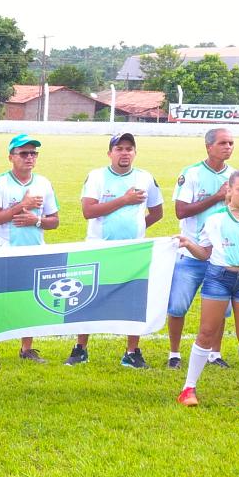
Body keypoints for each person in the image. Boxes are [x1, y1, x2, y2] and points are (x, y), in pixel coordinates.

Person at [174, 170, 239, 409]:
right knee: (206, 333)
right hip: (218, 278)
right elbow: (205, 253)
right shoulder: (215, 219)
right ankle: (188, 389)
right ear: (229, 190)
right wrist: (188, 244)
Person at [71, 132, 163, 366]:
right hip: (98, 248)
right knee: (89, 297)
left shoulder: (145, 177)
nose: (124, 153)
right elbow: (88, 211)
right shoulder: (97, 176)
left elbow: (157, 212)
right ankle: (80, 348)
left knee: (134, 299)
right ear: (109, 153)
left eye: (129, 148)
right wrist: (124, 200)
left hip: (133, 251)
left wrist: (138, 227)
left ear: (135, 153)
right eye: (119, 148)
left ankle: (132, 352)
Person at [0, 133, 61, 365]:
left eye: (33, 153)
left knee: (31, 299)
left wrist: (36, 221)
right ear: (11, 157)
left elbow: (54, 221)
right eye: (23, 153)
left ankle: (27, 348)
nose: (29, 157)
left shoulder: (43, 183)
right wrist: (22, 206)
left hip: (34, 250)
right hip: (4, 251)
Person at [165, 127, 236, 369]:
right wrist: (217, 196)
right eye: (223, 143)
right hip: (190, 254)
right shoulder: (192, 173)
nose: (228, 147)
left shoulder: (234, 176)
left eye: (231, 143)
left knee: (220, 308)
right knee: (178, 306)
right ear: (208, 146)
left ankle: (214, 354)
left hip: (220, 257)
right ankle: (174, 354)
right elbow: (181, 211)